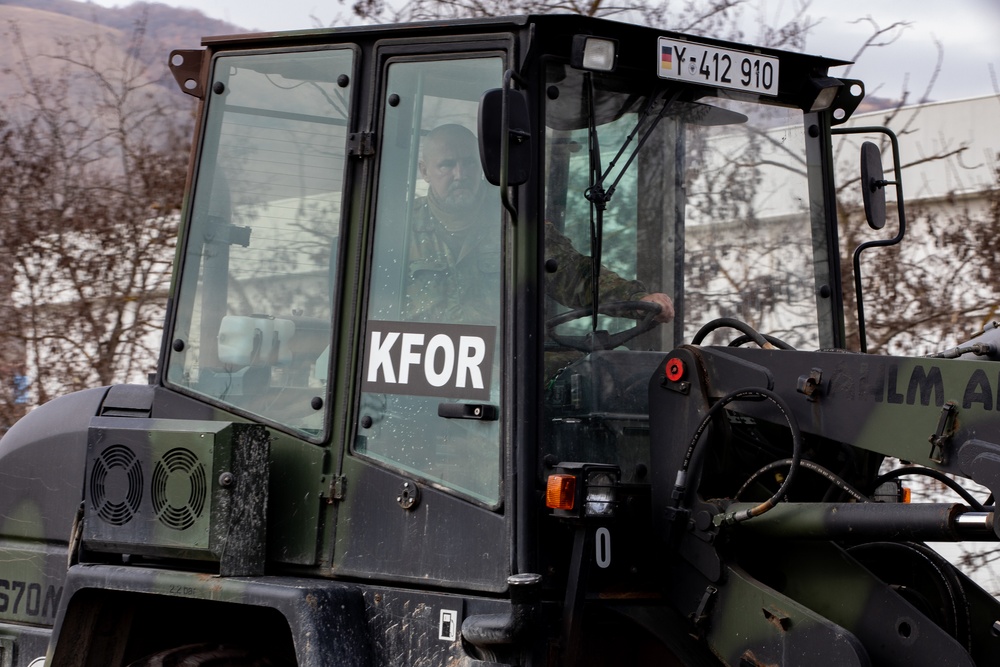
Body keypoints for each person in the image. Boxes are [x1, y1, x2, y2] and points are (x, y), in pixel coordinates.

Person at [405, 123, 674, 325]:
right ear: (424, 171)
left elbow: (574, 275)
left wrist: (636, 300)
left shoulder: (514, 221)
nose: (460, 175)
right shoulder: (400, 231)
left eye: (469, 163)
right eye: (447, 165)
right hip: (422, 377)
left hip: (505, 371)